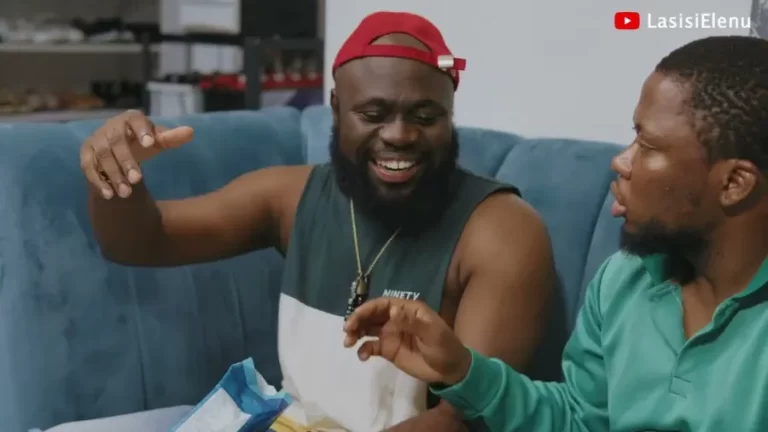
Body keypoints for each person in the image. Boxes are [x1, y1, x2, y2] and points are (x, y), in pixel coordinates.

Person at [74, 11, 557, 432]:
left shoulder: (500, 231)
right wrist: (115, 173)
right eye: (373, 113)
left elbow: (465, 421)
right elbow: (141, 241)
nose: (399, 134)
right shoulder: (290, 197)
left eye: (426, 116)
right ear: (336, 109)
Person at [343, 34, 768, 432]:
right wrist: (462, 369)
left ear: (734, 183)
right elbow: (580, 419)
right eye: (633, 137)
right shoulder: (624, 279)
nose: (621, 162)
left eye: (649, 146)